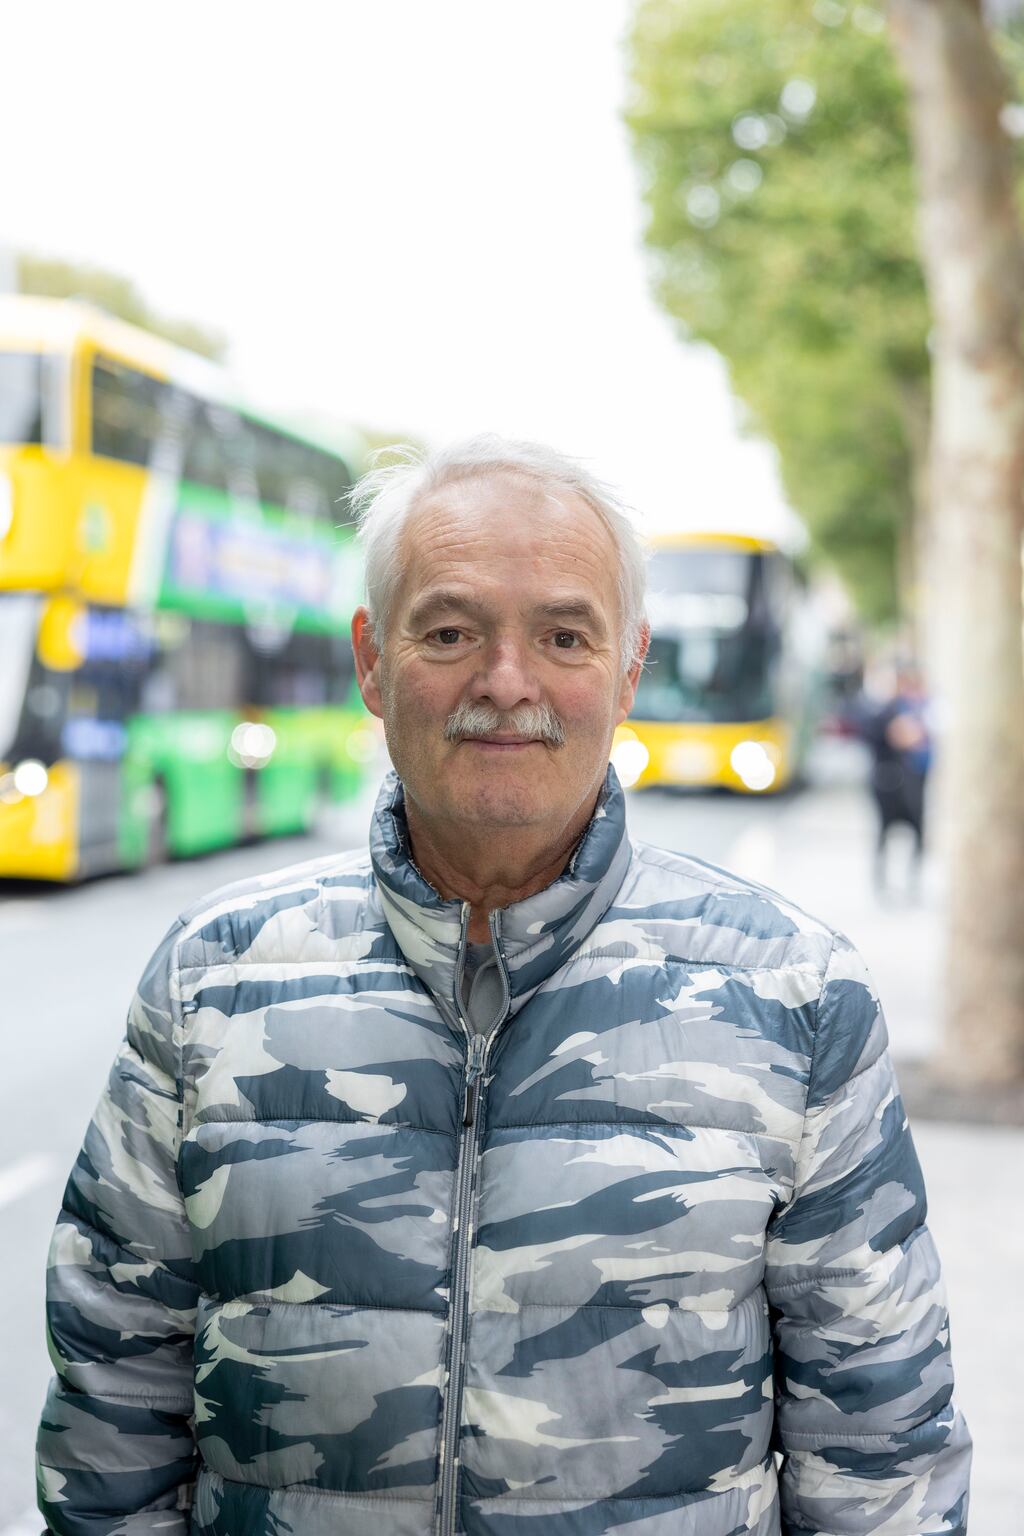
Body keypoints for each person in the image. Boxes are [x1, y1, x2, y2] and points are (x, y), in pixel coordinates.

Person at [37, 438, 970, 1536]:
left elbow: (879, 1443)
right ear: (371, 660)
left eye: (563, 635)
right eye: (449, 632)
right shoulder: (212, 983)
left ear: (627, 671)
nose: (506, 681)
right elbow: (113, 1407)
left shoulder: (793, 994)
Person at [858, 662, 934, 895]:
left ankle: (912, 882)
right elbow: (887, 735)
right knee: (885, 833)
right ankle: (882, 882)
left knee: (917, 832)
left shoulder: (923, 709)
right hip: (889, 784)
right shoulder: (888, 712)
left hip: (914, 782)